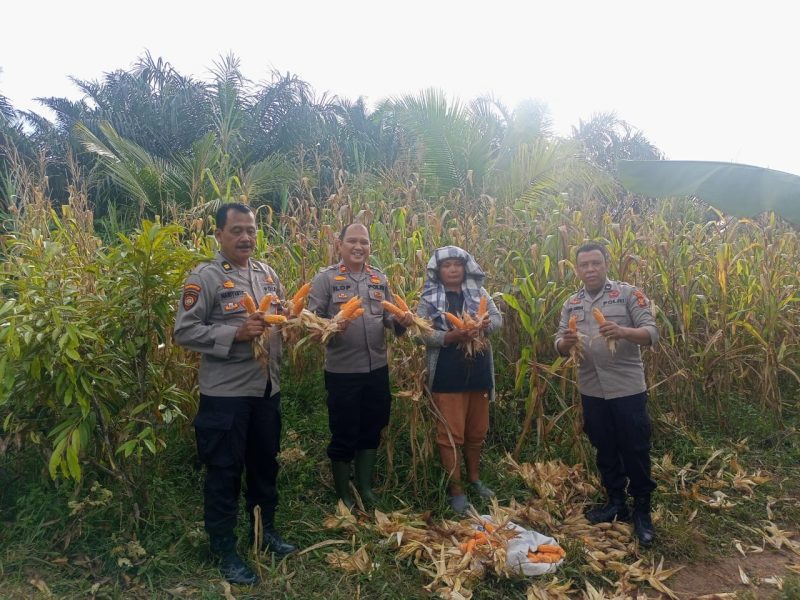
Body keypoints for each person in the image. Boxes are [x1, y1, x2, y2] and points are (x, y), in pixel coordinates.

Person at [174, 203, 296, 585]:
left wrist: (290, 319)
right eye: (237, 230)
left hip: (266, 389)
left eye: (251, 230)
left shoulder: (267, 274)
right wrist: (234, 333)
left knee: (265, 464)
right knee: (224, 471)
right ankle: (223, 548)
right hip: (226, 395)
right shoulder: (205, 278)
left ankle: (264, 531)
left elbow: (278, 318)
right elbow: (184, 331)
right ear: (219, 235)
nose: (246, 237)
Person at [555, 242, 659, 546]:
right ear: (577, 269)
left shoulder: (628, 294)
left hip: (626, 387)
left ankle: (642, 509)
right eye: (584, 265)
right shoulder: (571, 303)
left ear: (606, 264)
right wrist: (566, 342)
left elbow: (651, 333)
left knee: (635, 447)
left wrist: (623, 331)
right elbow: (558, 344)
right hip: (591, 389)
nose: (590, 269)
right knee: (604, 447)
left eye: (595, 263)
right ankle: (616, 502)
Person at [307, 222, 414, 510]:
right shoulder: (326, 279)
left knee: (373, 427)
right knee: (344, 430)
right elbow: (311, 321)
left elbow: (387, 318)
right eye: (352, 241)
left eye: (364, 242)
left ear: (369, 247)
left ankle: (365, 487)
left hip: (377, 369)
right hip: (342, 371)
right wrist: (331, 326)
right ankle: (344, 493)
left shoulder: (378, 278)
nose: (358, 247)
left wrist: (401, 322)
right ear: (339, 245)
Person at [416, 246, 503, 514]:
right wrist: (448, 337)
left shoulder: (480, 292)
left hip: (478, 372)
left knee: (477, 431)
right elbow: (419, 334)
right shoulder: (429, 297)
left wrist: (484, 325)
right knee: (450, 434)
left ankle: (474, 479)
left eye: (457, 264)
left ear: (466, 268)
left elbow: (497, 319)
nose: (453, 269)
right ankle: (456, 490)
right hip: (447, 373)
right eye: (447, 265)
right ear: (438, 270)